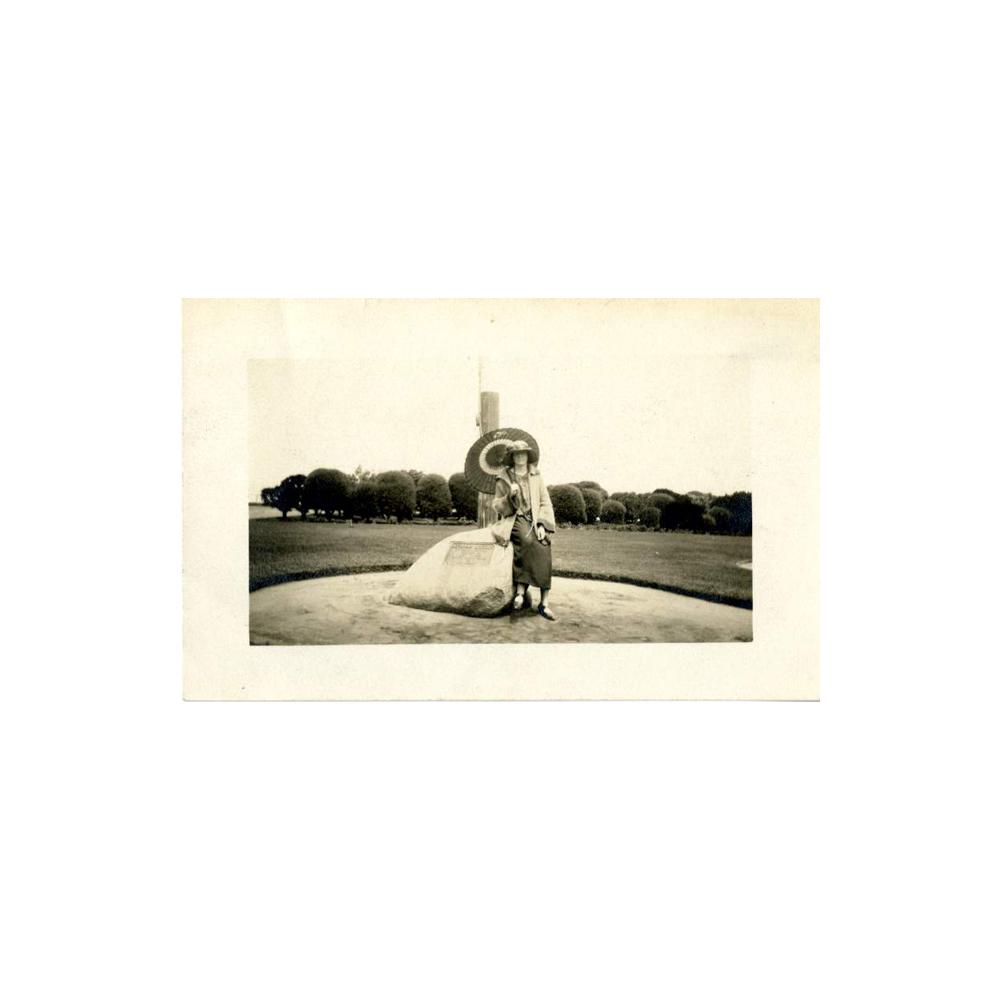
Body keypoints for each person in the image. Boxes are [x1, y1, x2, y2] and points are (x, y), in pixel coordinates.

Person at [491, 440, 557, 621]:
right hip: (515, 519)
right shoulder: (503, 477)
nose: (521, 456)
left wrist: (542, 524)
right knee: (527, 541)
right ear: (512, 456)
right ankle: (520, 593)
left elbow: (545, 502)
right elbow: (497, 505)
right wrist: (508, 496)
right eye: (517, 453)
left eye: (524, 453)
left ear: (528, 455)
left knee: (544, 544)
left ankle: (544, 603)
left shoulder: (536, 475)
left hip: (534, 520)